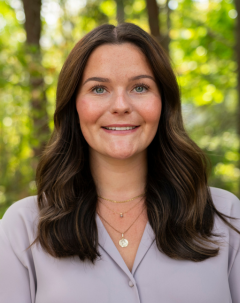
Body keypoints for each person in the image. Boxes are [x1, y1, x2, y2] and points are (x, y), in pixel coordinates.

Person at [0, 22, 239, 303]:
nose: (121, 105)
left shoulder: (227, 217)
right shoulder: (22, 229)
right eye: (99, 89)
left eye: (140, 87)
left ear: (163, 102)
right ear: (73, 105)